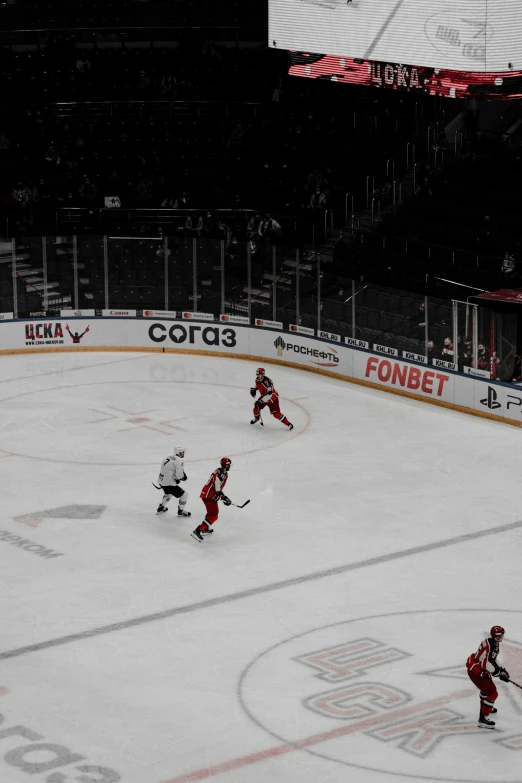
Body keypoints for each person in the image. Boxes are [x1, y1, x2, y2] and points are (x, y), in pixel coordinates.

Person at [466, 625, 509, 729]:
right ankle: (483, 719)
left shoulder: (491, 642)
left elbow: (491, 660)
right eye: (500, 636)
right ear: (496, 636)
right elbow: (486, 665)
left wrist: (501, 669)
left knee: (486, 691)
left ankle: (486, 707)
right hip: (477, 673)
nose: (502, 637)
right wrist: (498, 673)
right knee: (492, 693)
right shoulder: (492, 646)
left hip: (477, 669)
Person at [191, 457, 232, 542]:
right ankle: (198, 531)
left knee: (210, 513)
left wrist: (222, 496)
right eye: (228, 465)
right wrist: (220, 494)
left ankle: (205, 528)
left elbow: (217, 485)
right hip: (208, 495)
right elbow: (217, 482)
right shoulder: (223, 472)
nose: (230, 466)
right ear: (225, 465)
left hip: (208, 494)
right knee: (214, 515)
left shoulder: (219, 470)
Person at [155, 446, 190, 517]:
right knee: (184, 495)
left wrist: (175, 479)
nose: (183, 454)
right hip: (169, 482)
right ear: (179, 453)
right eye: (182, 452)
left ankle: (161, 507)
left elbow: (167, 469)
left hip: (161, 480)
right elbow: (179, 474)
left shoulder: (168, 457)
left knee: (169, 493)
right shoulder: (179, 460)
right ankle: (181, 511)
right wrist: (183, 477)